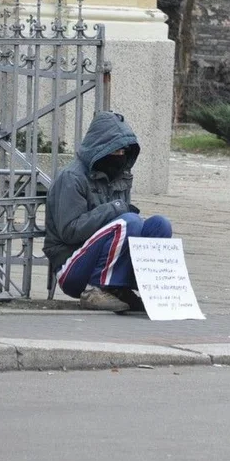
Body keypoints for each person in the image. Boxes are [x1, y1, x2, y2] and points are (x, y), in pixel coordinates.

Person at [43, 111, 173, 312]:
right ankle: (94, 291)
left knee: (159, 225)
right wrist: (114, 209)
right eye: (115, 152)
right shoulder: (72, 177)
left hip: (102, 257)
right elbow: (69, 231)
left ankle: (137, 289)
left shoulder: (119, 176)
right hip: (71, 266)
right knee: (128, 221)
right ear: (100, 149)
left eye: (123, 152)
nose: (120, 157)